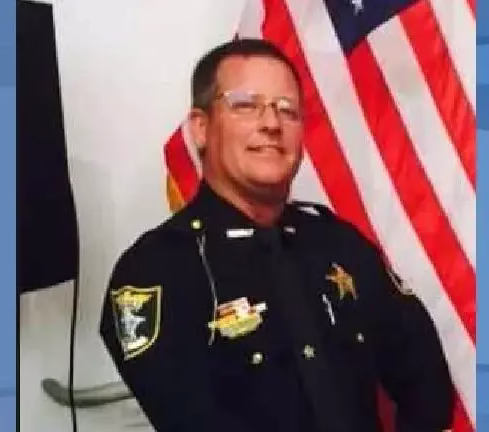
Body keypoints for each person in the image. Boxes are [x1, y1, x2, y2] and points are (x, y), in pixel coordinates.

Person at [100, 38, 454, 432]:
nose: (271, 123)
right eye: (245, 105)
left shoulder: (339, 244)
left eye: (287, 110)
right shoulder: (156, 270)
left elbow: (425, 377)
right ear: (201, 128)